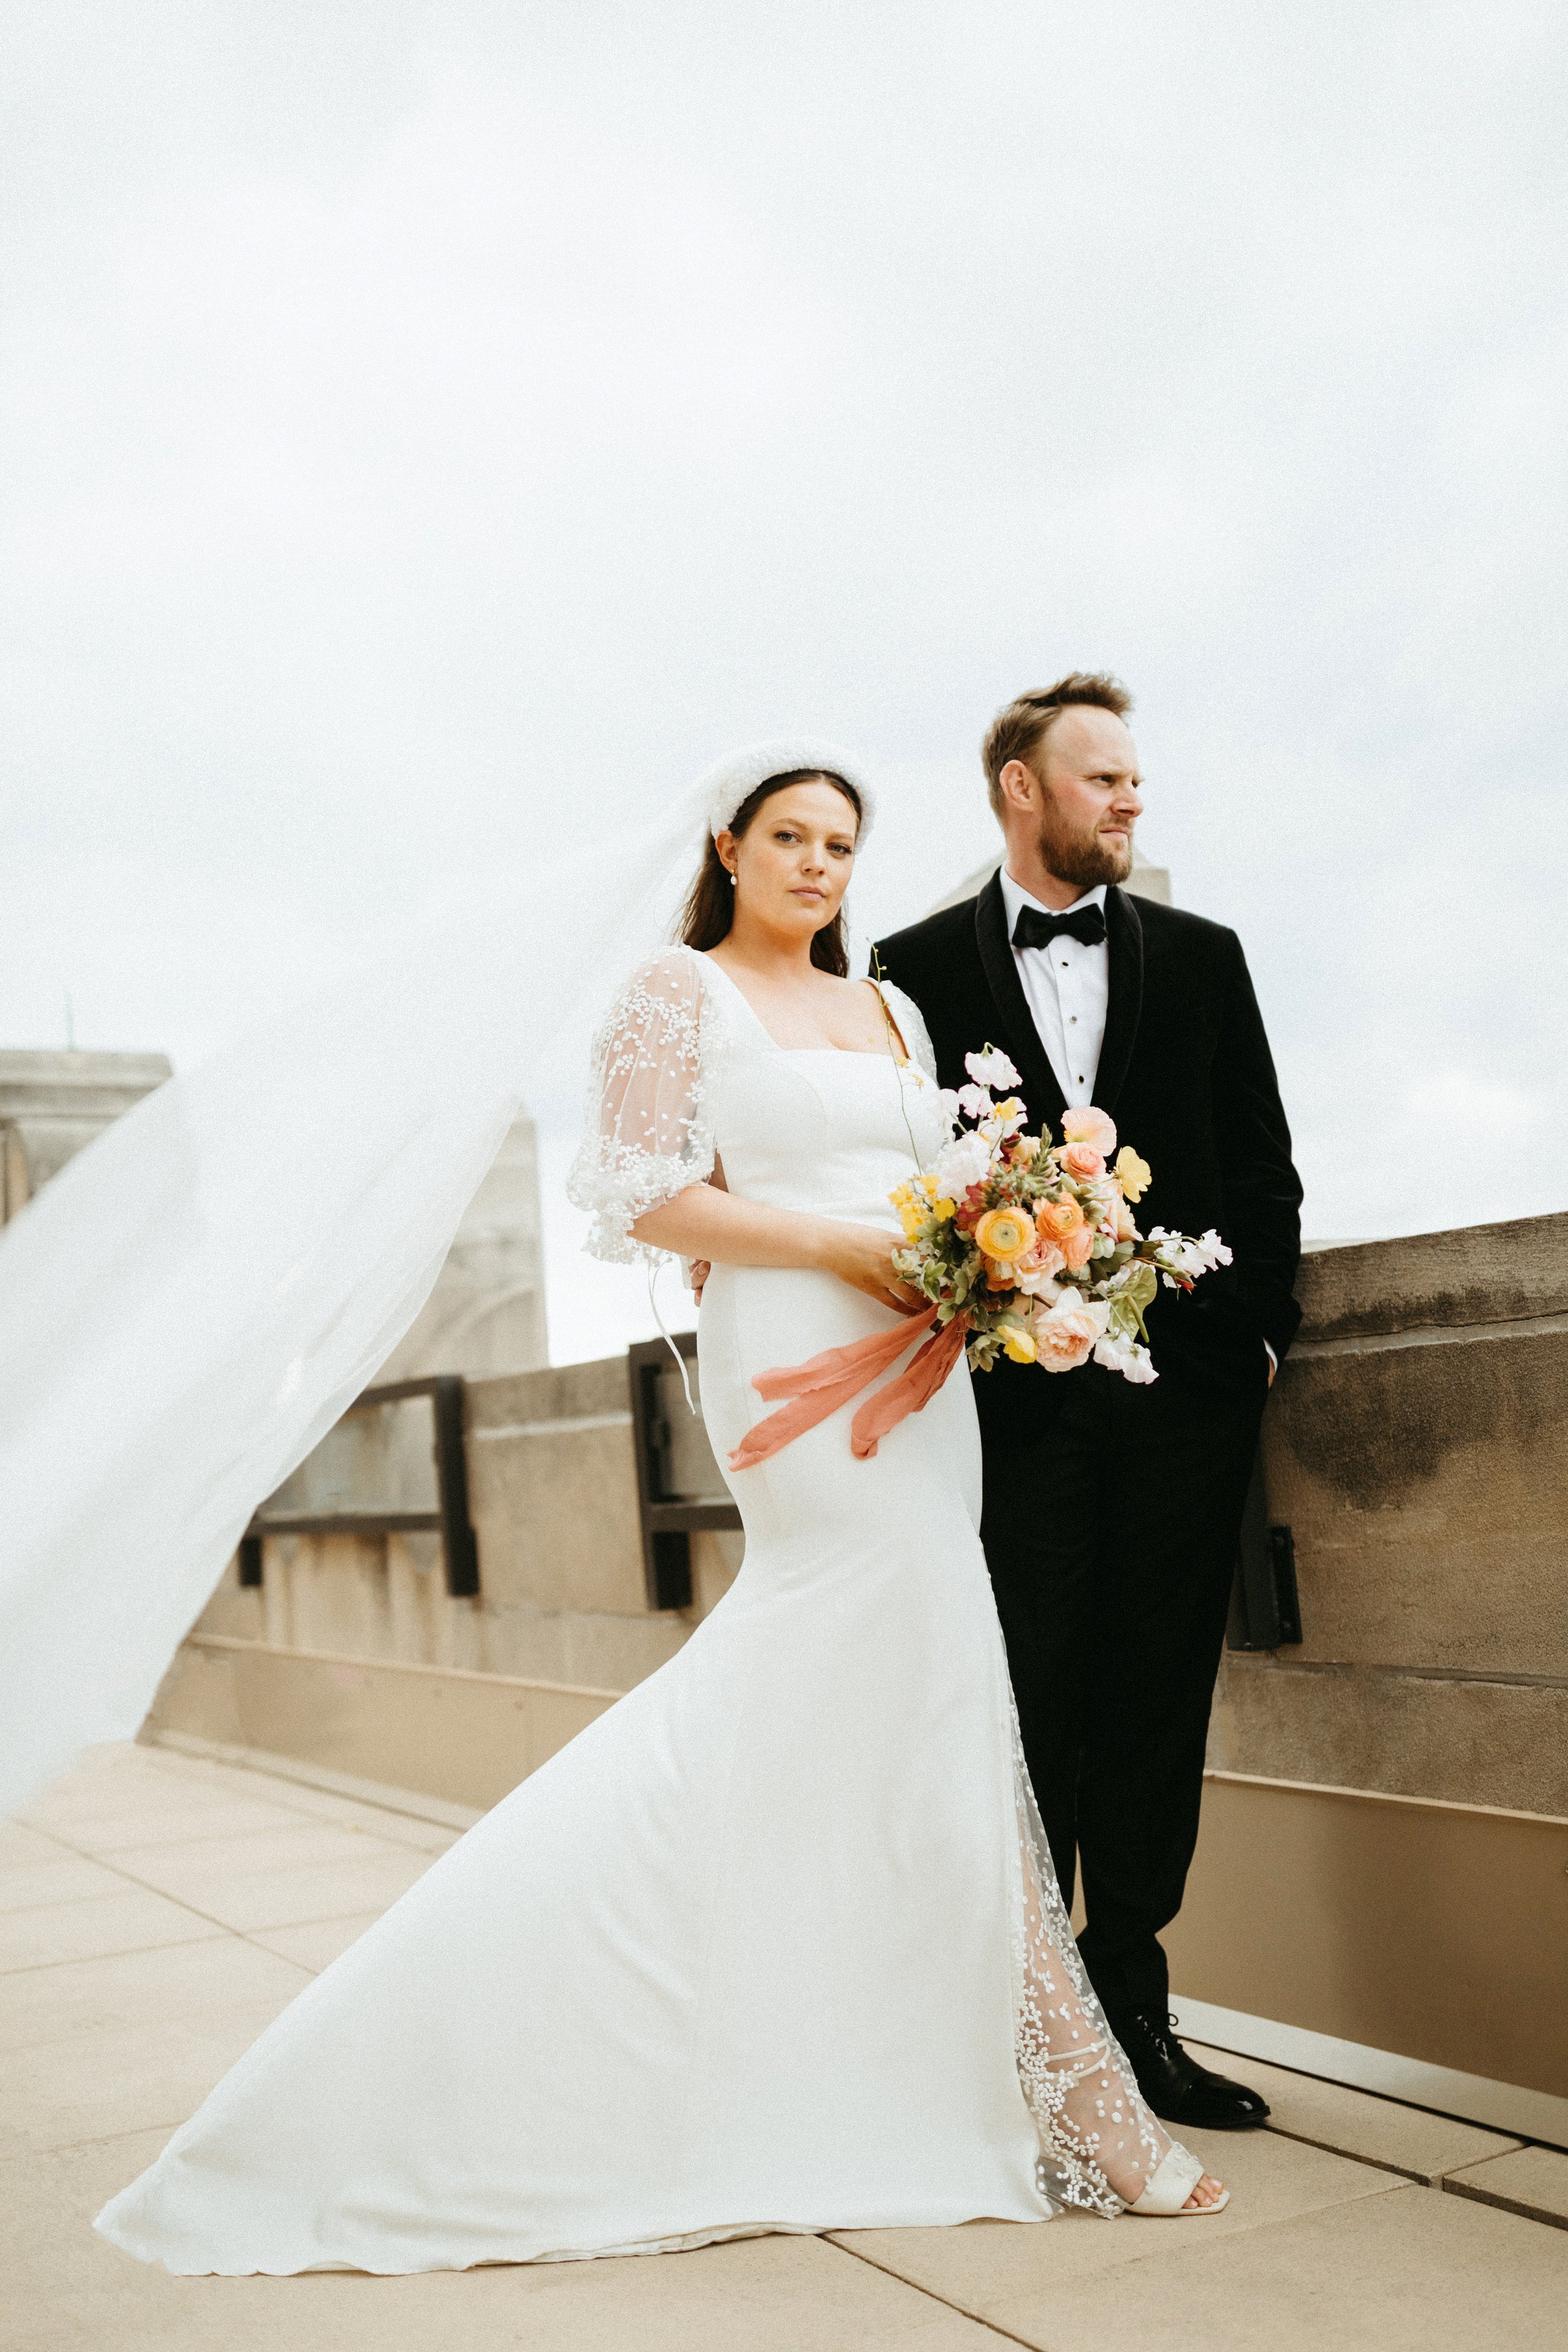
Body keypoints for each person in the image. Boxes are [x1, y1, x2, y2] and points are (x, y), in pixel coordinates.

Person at [95, 738, 1224, 2277]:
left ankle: (951, 2053)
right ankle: (1082, 2094)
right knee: (887, 1667)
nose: (817, 864)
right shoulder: (672, 994)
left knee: (923, 1694)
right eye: (788, 837)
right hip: (799, 1373)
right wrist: (835, 1253)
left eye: (839, 842)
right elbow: (638, 1193)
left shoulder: (888, 1005)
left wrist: (1000, 1254)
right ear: (730, 845)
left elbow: (940, 1177)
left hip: (923, 1375)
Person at [876, 677, 1303, 2132]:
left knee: (1150, 1708)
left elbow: (1260, 1170)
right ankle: (1028, 2035)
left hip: (1183, 1414)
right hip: (1005, 1425)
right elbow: (895, 1186)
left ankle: (1134, 2016)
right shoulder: (904, 968)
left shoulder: (1204, 956)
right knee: (1023, 1710)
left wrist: (1251, 1349)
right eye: (1101, 778)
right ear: (1017, 786)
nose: (1129, 801)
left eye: (1135, 782)